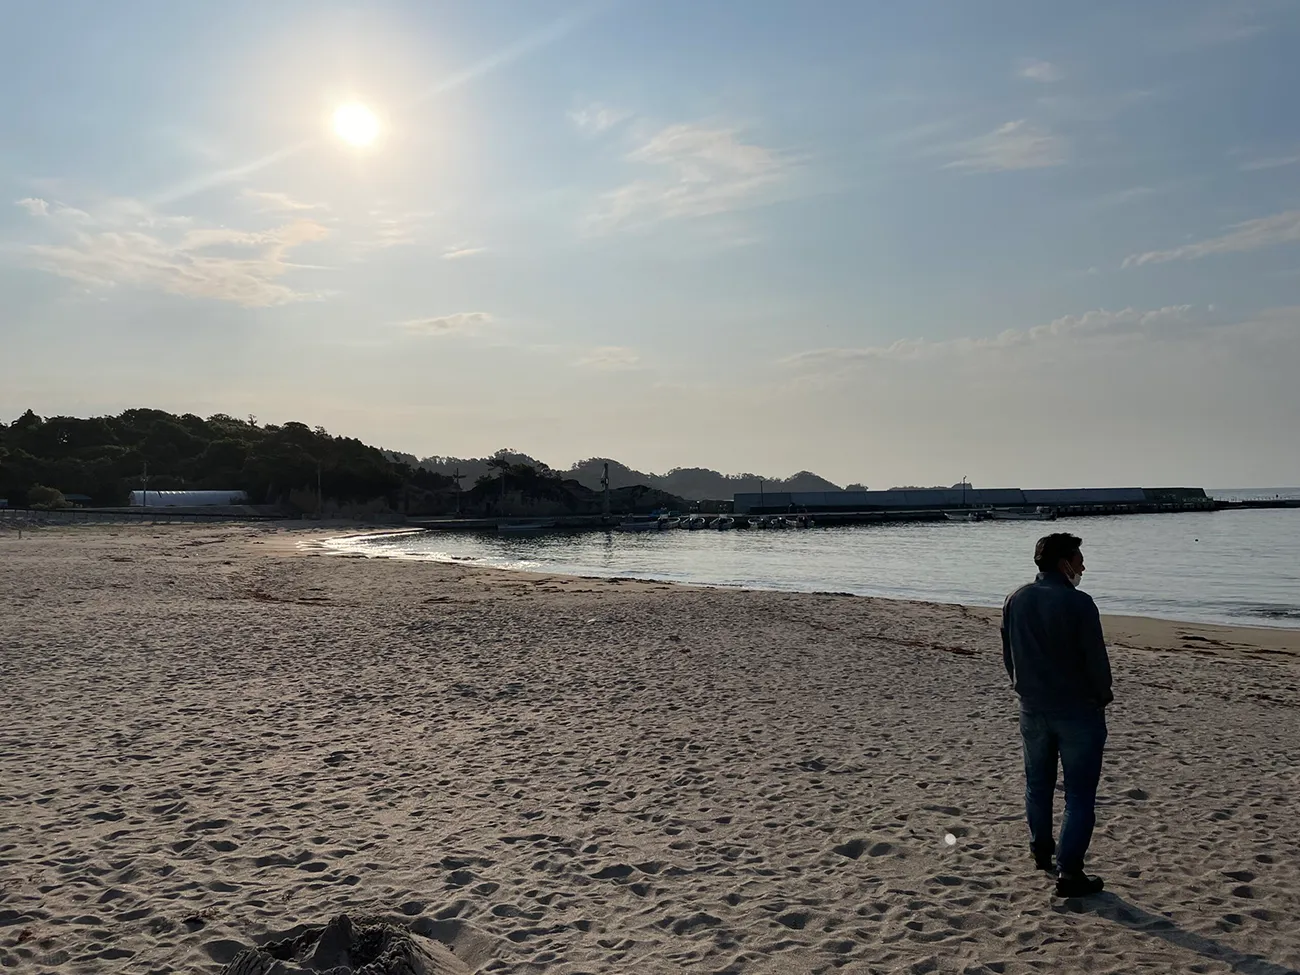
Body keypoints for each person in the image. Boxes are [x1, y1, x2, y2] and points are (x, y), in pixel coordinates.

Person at [1002, 532, 1112, 897]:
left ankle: (1040, 849)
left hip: (1032, 708)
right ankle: (1070, 872)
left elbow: (1009, 656)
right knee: (1079, 794)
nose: (1083, 566)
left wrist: (1023, 687)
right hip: (1077, 710)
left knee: (1038, 784)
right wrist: (1102, 696)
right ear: (1064, 562)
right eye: (1079, 559)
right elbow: (1096, 660)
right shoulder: (1079, 603)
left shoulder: (1015, 599)